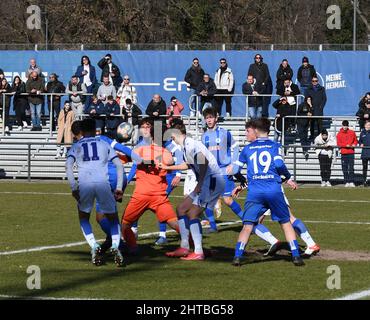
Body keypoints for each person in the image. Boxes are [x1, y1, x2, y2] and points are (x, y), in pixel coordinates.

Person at [231, 118, 304, 267]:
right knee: (285, 222)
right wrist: (287, 177)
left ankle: (237, 256)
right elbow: (278, 164)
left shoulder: (247, 149)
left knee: (247, 225)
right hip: (273, 190)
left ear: (256, 131)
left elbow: (235, 170)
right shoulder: (274, 146)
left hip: (255, 191)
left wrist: (243, 182)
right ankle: (296, 255)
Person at [160, 118, 225, 261]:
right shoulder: (185, 146)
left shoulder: (189, 144)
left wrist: (200, 184)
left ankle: (199, 251)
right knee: (181, 209)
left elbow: (203, 161)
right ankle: (184, 247)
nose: (170, 138)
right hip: (207, 181)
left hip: (212, 181)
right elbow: (188, 165)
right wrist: (168, 168)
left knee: (193, 213)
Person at [65, 118, 125, 266]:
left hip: (85, 185)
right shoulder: (104, 144)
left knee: (84, 217)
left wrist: (74, 188)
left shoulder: (76, 146)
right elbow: (118, 165)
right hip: (103, 185)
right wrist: (118, 187)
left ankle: (94, 246)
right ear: (95, 129)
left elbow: (68, 167)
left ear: (82, 131)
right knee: (113, 218)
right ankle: (116, 246)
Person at [120, 118, 179, 254]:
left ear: (151, 135)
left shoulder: (140, 150)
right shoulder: (167, 153)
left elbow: (124, 158)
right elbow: (171, 164)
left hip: (141, 194)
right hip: (159, 195)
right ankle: (193, 243)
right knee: (174, 222)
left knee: (125, 224)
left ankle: (133, 248)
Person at [336, 120, 358, 187]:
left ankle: (351, 181)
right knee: (344, 168)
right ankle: (346, 181)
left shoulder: (352, 132)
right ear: (342, 125)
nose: (345, 127)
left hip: (351, 152)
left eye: (346, 126)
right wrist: (346, 145)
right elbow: (339, 143)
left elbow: (355, 141)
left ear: (348, 126)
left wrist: (354, 144)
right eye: (344, 125)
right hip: (343, 153)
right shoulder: (339, 134)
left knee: (351, 167)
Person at [359, 121, 370, 186]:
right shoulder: (362, 133)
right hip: (365, 153)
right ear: (365, 125)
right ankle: (364, 181)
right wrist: (360, 144)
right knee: (364, 168)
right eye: (368, 125)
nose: (369, 126)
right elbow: (360, 141)